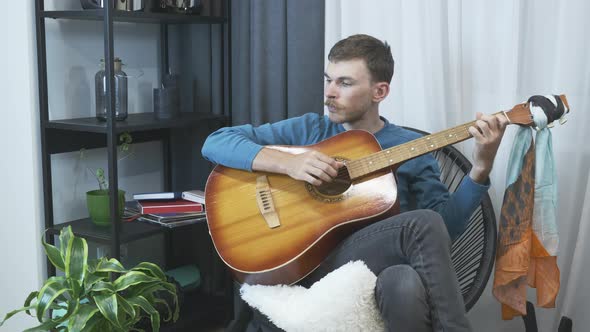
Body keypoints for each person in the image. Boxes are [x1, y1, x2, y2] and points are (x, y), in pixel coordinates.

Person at [202, 34, 508, 332]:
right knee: (419, 229)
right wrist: (289, 162)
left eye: (344, 83)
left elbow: (444, 230)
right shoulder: (309, 129)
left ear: (380, 91)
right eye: (328, 79)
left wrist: (481, 166)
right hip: (309, 264)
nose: (329, 93)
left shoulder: (413, 147)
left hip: (377, 268)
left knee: (404, 280)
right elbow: (216, 142)